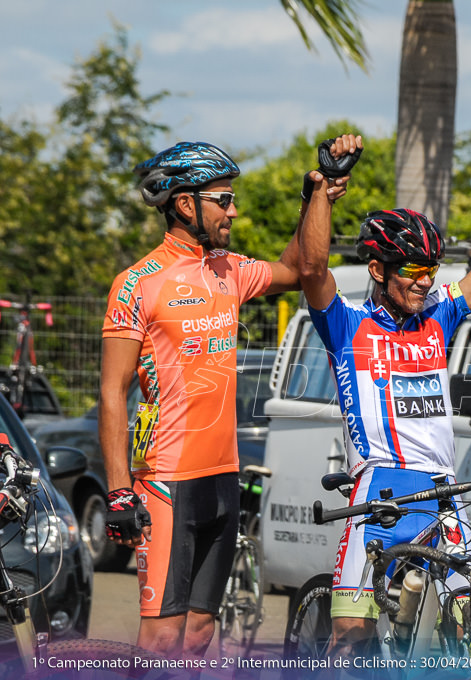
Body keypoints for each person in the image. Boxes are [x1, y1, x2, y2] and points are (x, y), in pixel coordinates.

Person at [297, 131, 471, 655]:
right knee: (351, 635)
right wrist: (322, 189)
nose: (423, 282)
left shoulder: (440, 314)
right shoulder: (347, 325)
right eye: (411, 272)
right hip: (378, 490)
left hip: (442, 490)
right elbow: (312, 268)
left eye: (430, 272)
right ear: (377, 271)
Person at [99, 141, 344, 655]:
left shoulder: (229, 269)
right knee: (162, 635)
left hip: (222, 476)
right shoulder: (137, 284)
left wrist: (314, 199)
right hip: (166, 480)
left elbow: (297, 269)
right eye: (223, 199)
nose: (233, 210)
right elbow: (111, 393)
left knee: (199, 633)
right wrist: (119, 490)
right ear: (186, 205)